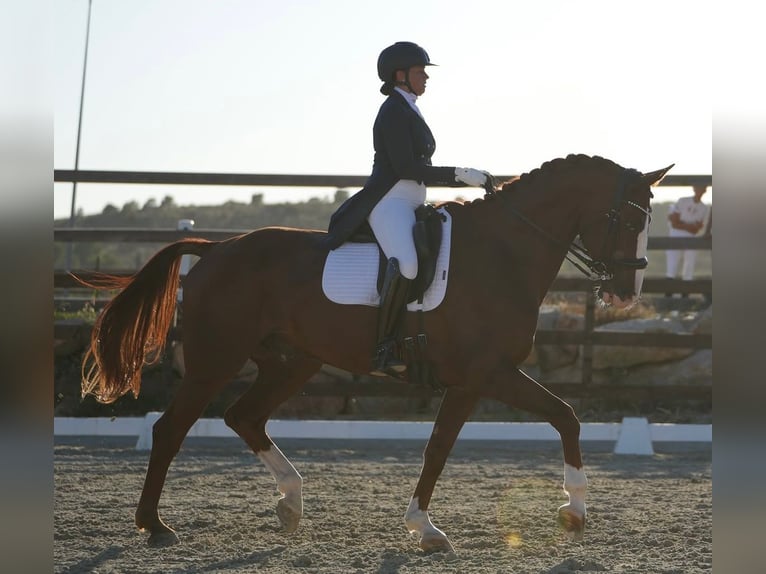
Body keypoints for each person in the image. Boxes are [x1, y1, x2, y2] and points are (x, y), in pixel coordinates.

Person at [324, 41, 494, 376]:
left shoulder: (410, 106)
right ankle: (384, 346)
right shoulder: (392, 110)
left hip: (413, 201)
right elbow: (405, 167)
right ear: (399, 75)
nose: (426, 79)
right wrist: (460, 174)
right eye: (420, 73)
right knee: (408, 265)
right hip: (389, 201)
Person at [665, 184, 711, 296]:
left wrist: (684, 224)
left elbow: (696, 229)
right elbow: (674, 222)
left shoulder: (704, 208)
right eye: (698, 187)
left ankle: (685, 294)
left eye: (702, 188)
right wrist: (689, 226)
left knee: (689, 263)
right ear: (694, 188)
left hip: (691, 237)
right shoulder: (683, 201)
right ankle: (669, 293)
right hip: (675, 235)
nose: (700, 190)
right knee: (672, 263)